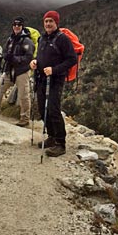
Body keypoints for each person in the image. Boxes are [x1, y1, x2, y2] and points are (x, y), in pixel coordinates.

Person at [30, 11, 77, 157]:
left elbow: (71, 59)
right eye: (46, 21)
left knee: (53, 110)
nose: (48, 24)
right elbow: (41, 56)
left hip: (55, 80)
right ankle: (51, 136)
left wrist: (54, 70)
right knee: (43, 110)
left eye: (51, 21)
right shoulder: (42, 38)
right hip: (41, 79)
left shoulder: (62, 39)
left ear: (56, 23)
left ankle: (60, 143)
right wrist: (35, 62)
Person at [0, 17, 35, 127]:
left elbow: (28, 57)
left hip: (22, 71)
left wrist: (15, 59)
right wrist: (6, 56)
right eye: (15, 24)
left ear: (22, 26)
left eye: (19, 25)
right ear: (13, 26)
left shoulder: (27, 41)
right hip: (9, 70)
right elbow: (6, 50)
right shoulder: (10, 39)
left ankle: (24, 119)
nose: (16, 26)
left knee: (23, 95)